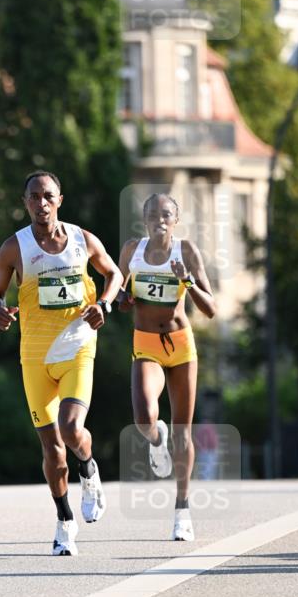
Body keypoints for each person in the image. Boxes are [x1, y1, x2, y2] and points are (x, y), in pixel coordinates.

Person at [0, 171, 123, 556]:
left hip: (78, 346)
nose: (41, 203)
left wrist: (104, 304)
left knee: (70, 427)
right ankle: (65, 522)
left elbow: (113, 273)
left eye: (48, 196)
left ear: (59, 199)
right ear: (25, 201)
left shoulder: (82, 240)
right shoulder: (14, 247)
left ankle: (89, 468)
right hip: (34, 356)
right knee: (51, 449)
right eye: (34, 197)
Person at [117, 193, 216, 541]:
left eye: (167, 213)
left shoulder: (185, 250)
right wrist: (123, 299)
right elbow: (117, 297)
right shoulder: (131, 250)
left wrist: (185, 280)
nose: (160, 218)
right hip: (145, 344)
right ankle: (155, 440)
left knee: (183, 432)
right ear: (144, 219)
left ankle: (182, 510)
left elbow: (210, 308)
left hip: (181, 347)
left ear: (176, 219)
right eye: (153, 213)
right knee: (144, 417)